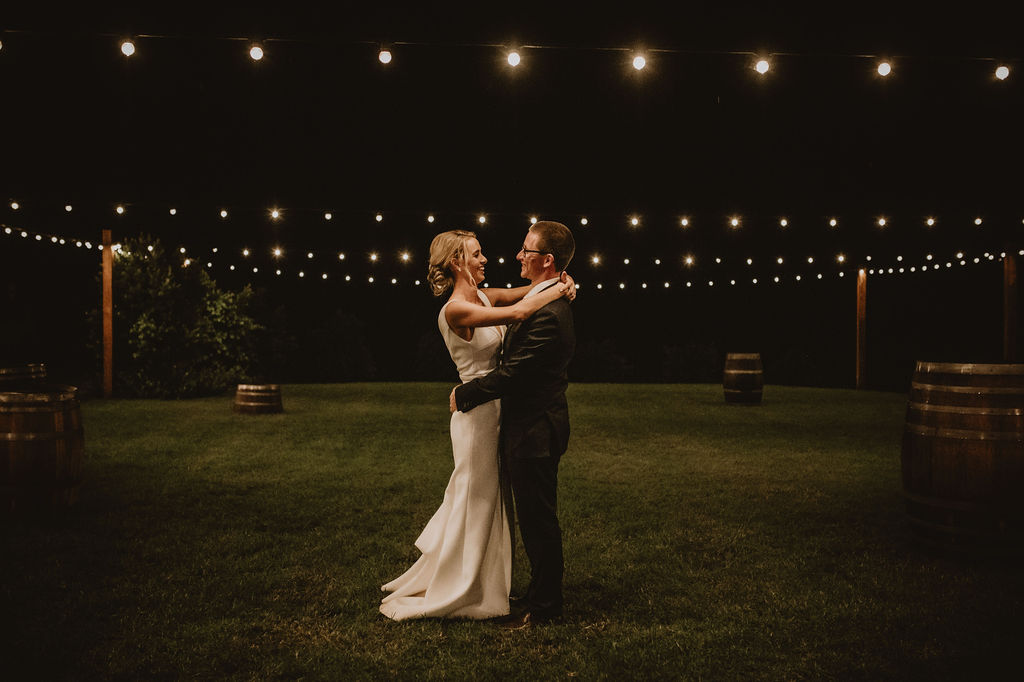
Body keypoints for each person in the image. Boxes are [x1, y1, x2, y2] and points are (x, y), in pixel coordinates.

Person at [380, 229, 575, 621]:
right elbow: (520, 312)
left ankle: (490, 583)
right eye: (476, 253)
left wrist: (563, 282)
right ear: (456, 263)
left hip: (502, 415)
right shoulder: (455, 309)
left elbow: (523, 296)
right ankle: (461, 581)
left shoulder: (485, 296)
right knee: (474, 497)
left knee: (494, 501)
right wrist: (560, 287)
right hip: (477, 416)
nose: (486, 259)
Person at [451, 220, 576, 628]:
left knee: (539, 520)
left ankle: (546, 609)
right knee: (533, 517)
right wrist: (563, 282)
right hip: (523, 427)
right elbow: (517, 306)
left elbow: (514, 373)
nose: (518, 256)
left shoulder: (550, 315)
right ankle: (539, 593)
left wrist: (465, 395)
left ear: (547, 261)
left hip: (535, 430)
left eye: (526, 251)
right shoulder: (543, 295)